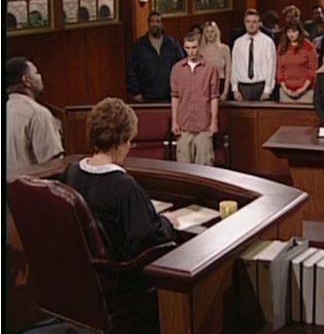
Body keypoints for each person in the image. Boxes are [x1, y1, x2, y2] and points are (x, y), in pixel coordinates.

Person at [59, 98, 176, 263]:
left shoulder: (70, 173)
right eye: (130, 141)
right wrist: (167, 223)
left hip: (80, 267)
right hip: (117, 272)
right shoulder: (126, 188)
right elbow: (148, 243)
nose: (129, 148)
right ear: (121, 142)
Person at [170, 32, 220, 166]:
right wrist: (174, 121)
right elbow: (175, 97)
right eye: (188, 48)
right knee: (184, 166)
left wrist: (214, 122)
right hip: (184, 125)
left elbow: (214, 97)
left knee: (204, 167)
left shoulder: (210, 69)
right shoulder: (177, 69)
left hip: (204, 125)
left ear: (199, 47)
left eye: (194, 47)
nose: (191, 51)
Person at [7, 57, 64, 172]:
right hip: (30, 183)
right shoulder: (38, 114)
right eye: (36, 73)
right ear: (27, 80)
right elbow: (53, 166)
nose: (40, 77)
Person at [126, 11, 185, 102]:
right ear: (148, 24)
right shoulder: (139, 45)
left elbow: (181, 66)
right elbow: (131, 69)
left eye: (158, 21)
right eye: (152, 21)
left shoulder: (172, 44)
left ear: (162, 24)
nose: (155, 24)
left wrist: (180, 89)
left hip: (169, 94)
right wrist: (135, 92)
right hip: (146, 96)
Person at [231, 8, 277, 101]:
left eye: (254, 22)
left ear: (259, 23)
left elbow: (271, 67)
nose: (251, 25)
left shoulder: (267, 42)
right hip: (243, 86)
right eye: (248, 22)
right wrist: (235, 89)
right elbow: (234, 67)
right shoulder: (238, 43)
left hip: (261, 85)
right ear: (244, 23)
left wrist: (267, 89)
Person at [276, 23, 318, 104]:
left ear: (299, 32)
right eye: (289, 32)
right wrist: (285, 89)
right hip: (285, 92)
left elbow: (313, 70)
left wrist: (303, 89)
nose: (291, 35)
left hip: (306, 92)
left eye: (294, 31)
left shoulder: (308, 47)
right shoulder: (282, 47)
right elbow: (280, 70)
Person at [199, 21, 231, 101]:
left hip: (221, 83)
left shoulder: (225, 49)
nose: (210, 34)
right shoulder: (200, 50)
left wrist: (225, 92)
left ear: (216, 33)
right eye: (207, 31)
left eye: (212, 31)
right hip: (205, 85)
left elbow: (228, 71)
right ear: (204, 34)